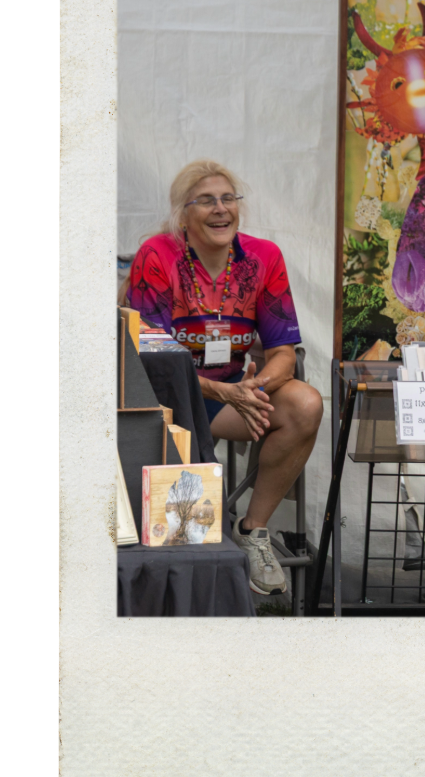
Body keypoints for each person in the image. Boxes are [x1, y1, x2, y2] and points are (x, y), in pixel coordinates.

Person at [127, 160, 323, 595]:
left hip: (233, 394)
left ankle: (253, 531)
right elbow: (150, 354)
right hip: (166, 399)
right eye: (206, 201)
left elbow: (283, 353)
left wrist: (252, 390)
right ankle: (184, 582)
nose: (220, 209)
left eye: (228, 198)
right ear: (183, 215)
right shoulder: (157, 255)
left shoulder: (264, 257)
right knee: (183, 526)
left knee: (305, 403)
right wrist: (224, 391)